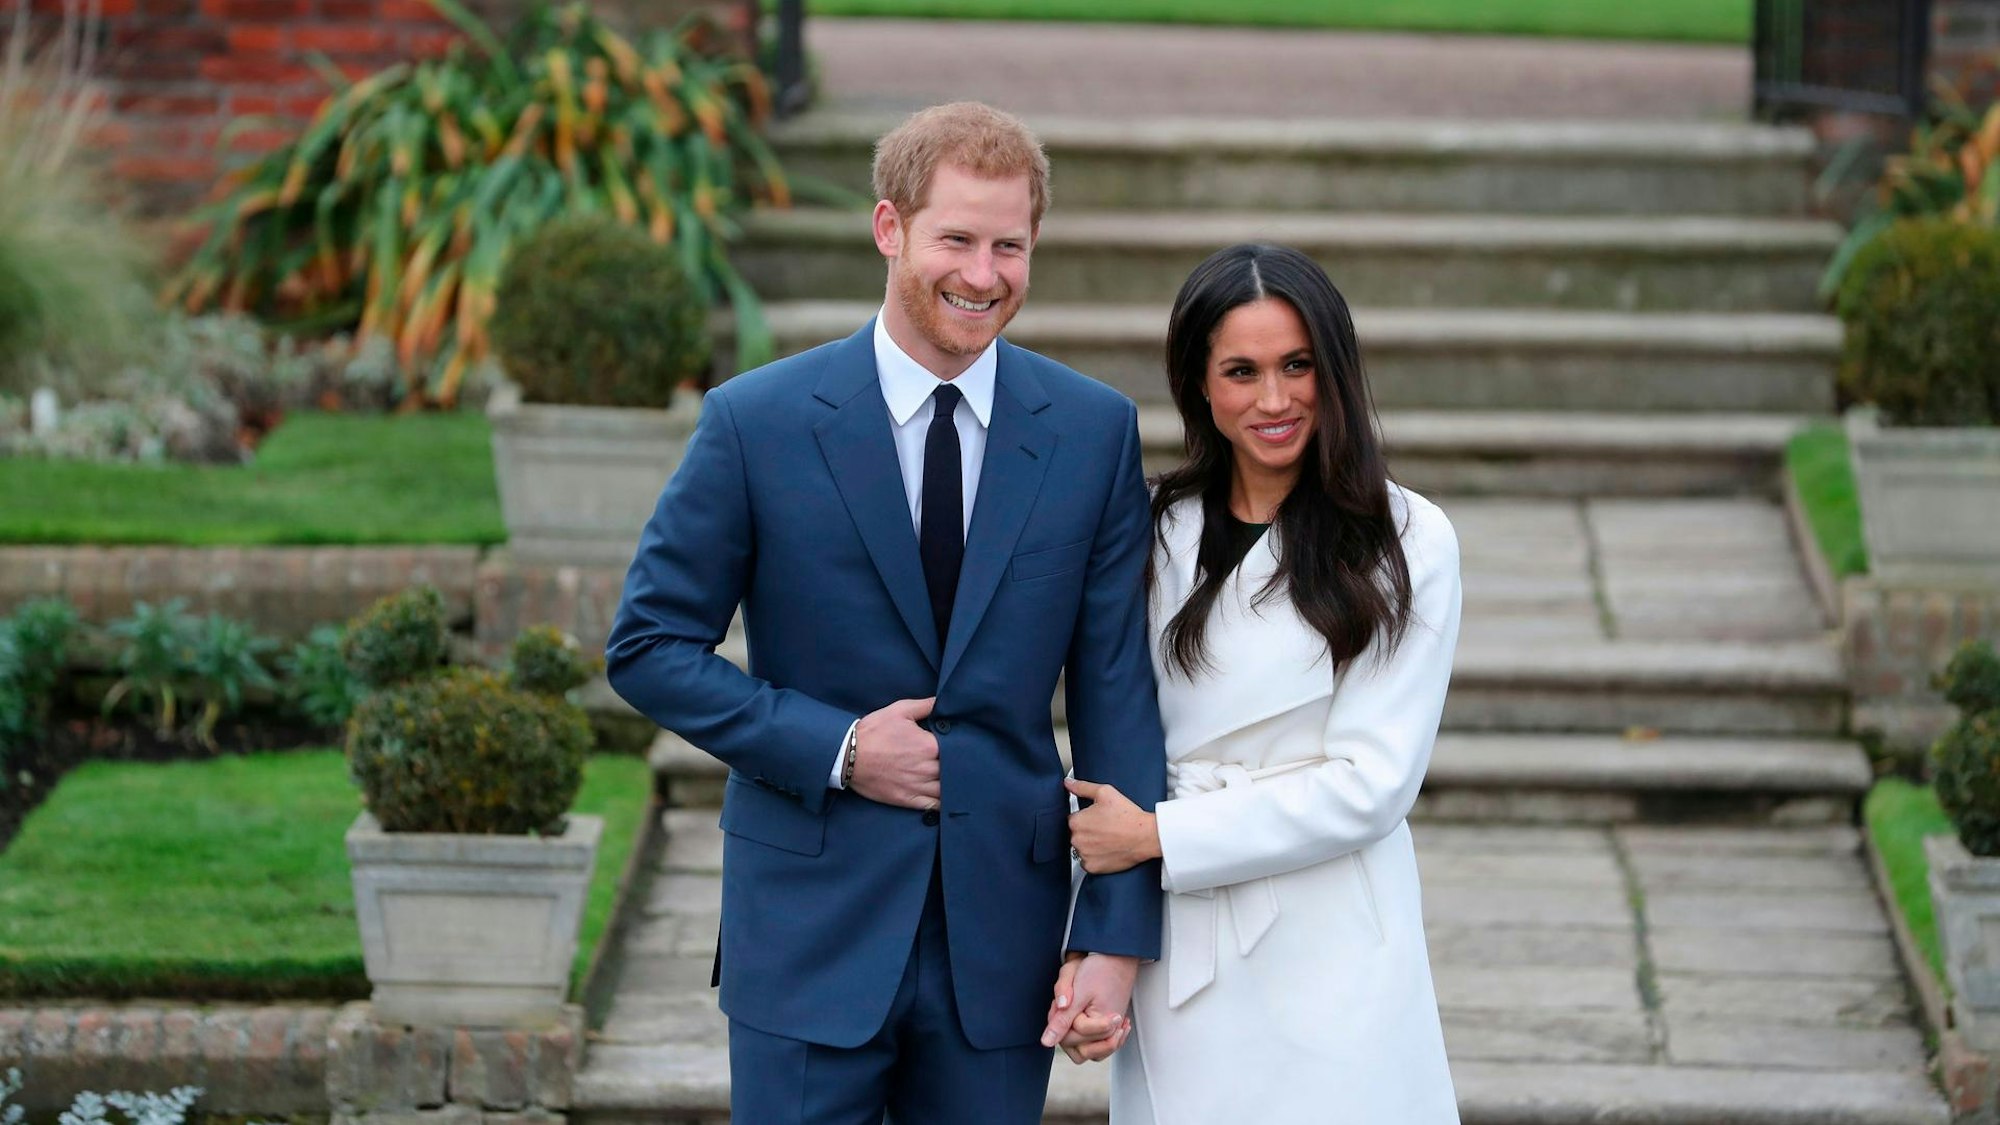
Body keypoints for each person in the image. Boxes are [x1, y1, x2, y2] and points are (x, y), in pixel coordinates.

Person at [605, 101, 1166, 1125]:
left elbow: (1116, 696)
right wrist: (839, 749)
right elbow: (647, 646)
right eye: (956, 239)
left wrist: (1114, 935)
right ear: (888, 228)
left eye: (1009, 246)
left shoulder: (1092, 434)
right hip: (807, 929)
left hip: (1002, 944)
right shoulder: (757, 422)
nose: (983, 275)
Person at [1051, 243, 1464, 1122]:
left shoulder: (1406, 539)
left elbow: (1373, 784)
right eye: (1242, 371)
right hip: (1185, 939)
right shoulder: (1152, 527)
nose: (1274, 400)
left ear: (1335, 370)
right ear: (1200, 384)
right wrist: (1099, 937)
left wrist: (1162, 834)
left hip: (1331, 933)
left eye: (1297, 366)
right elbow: (1118, 732)